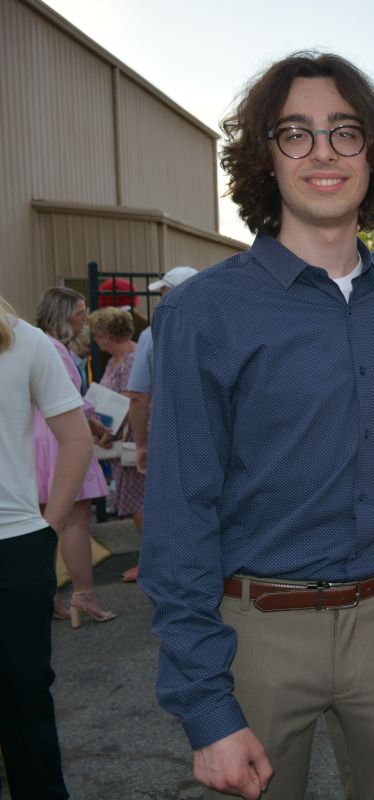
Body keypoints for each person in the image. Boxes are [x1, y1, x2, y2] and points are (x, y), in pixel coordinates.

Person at [139, 52, 374, 800]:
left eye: (345, 131)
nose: (323, 153)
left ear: (372, 152)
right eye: (296, 133)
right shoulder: (203, 311)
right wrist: (206, 706)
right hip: (258, 633)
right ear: (265, 157)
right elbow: (178, 514)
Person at [0, 294, 92, 799]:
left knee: (24, 700)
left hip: (14, 547)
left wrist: (47, 528)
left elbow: (76, 439)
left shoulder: (24, 341)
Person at [33, 288, 115, 624]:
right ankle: (84, 595)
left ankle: (46, 595)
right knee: (75, 520)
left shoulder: (32, 343)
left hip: (36, 439)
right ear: (63, 315)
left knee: (44, 522)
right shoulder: (57, 350)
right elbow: (71, 401)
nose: (85, 318)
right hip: (62, 438)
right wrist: (95, 425)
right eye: (80, 312)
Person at [127, 266, 198, 473]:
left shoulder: (150, 335)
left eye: (164, 295)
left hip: (168, 436)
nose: (160, 302)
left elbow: (138, 396)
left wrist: (141, 445)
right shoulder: (222, 331)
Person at [89, 307, 144, 576]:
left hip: (131, 438)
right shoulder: (117, 359)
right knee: (138, 502)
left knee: (140, 503)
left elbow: (127, 401)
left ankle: (150, 563)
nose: (94, 339)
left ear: (106, 334)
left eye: (96, 333)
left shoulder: (131, 359)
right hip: (122, 436)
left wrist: (106, 433)